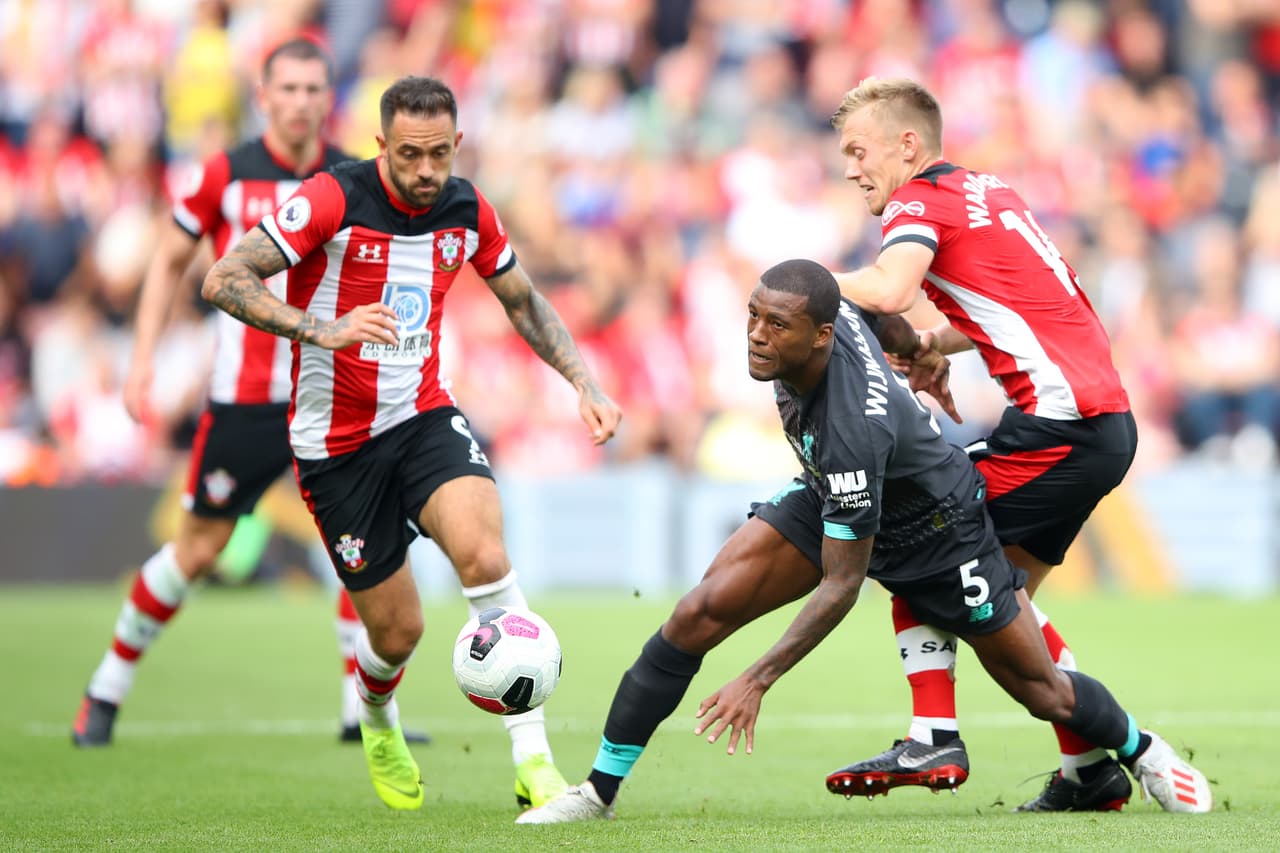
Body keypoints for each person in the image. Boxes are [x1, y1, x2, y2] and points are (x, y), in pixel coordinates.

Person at [514, 259, 1211, 824]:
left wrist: (757, 677)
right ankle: (597, 793)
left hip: (936, 531)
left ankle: (1140, 749)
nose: (756, 335)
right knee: (699, 611)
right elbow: (879, 309)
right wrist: (918, 353)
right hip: (836, 491)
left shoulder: (851, 428)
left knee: (1043, 690)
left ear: (819, 335)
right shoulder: (834, 308)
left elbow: (842, 584)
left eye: (775, 325)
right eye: (752, 316)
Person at [199, 75, 622, 814]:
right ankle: (375, 715)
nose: (426, 171)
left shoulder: (468, 208)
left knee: (486, 558)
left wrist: (583, 382)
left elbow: (521, 299)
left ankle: (536, 762)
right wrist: (318, 327)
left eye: (438, 154)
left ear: (457, 145)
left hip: (423, 415)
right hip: (334, 446)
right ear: (380, 147)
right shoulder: (332, 198)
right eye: (408, 156)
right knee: (398, 632)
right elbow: (222, 277)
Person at [70, 38, 429, 750]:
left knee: (356, 549)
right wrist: (142, 356)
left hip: (332, 397)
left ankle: (355, 712)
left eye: (313, 89)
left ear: (331, 99)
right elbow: (171, 256)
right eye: (287, 88)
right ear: (262, 97)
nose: (300, 101)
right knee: (197, 548)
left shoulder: (355, 178)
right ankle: (105, 686)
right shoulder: (224, 176)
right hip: (245, 401)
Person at [824, 76, 1157, 812]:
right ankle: (1093, 768)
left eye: (859, 150)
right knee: (1000, 604)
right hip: (1100, 424)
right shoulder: (988, 191)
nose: (851, 167)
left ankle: (936, 732)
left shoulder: (917, 201)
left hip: (1059, 428)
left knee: (920, 538)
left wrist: (798, 284)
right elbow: (1030, 310)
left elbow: (887, 288)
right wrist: (939, 344)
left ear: (907, 145)